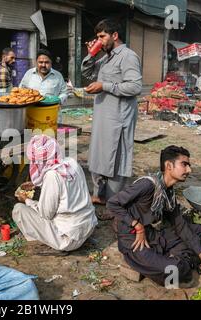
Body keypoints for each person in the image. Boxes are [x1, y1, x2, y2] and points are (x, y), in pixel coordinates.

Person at [107, 146, 201, 287]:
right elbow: (112, 203)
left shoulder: (168, 192)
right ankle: (183, 261)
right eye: (184, 164)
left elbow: (180, 226)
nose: (189, 170)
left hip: (152, 234)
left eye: (189, 165)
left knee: (197, 231)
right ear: (169, 166)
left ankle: (183, 259)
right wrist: (137, 225)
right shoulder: (147, 185)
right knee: (174, 271)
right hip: (134, 239)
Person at [81, 19, 142, 216]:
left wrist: (104, 86)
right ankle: (99, 194)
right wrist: (91, 54)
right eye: (97, 37)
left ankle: (115, 202)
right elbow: (87, 72)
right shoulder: (106, 58)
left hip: (118, 118)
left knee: (116, 159)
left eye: (101, 37)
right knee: (99, 155)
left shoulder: (127, 56)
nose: (98, 40)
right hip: (102, 116)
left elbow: (135, 87)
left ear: (114, 35)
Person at [12, 135, 98, 254]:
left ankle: (44, 240)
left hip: (68, 239)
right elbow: (65, 186)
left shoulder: (52, 176)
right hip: (88, 228)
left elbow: (46, 214)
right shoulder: (71, 163)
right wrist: (38, 184)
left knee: (18, 209)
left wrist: (27, 200)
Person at [20, 49, 68, 123]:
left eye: (46, 62)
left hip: (51, 116)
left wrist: (59, 100)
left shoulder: (58, 76)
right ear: (36, 62)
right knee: (29, 134)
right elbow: (21, 90)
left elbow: (65, 92)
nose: (43, 65)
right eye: (40, 62)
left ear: (51, 63)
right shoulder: (29, 74)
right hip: (31, 116)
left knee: (50, 134)